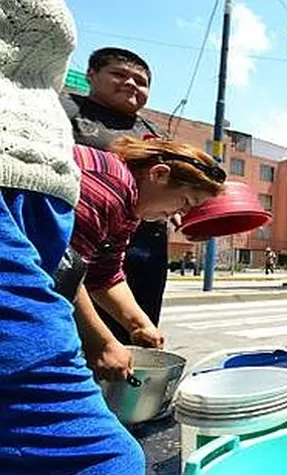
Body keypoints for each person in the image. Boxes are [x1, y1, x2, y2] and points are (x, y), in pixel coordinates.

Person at [0, 2, 150, 475]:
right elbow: (69, 273)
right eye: (181, 205)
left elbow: (102, 268)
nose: (179, 218)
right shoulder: (102, 179)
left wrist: (133, 323)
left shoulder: (129, 187)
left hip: (43, 217)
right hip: (27, 208)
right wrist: (103, 339)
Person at [71, 138, 225, 381]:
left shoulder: (130, 206)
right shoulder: (109, 187)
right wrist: (100, 342)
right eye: (185, 202)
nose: (181, 214)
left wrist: (139, 324)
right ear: (159, 174)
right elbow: (60, 269)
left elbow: (104, 274)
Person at [61, 47, 171, 352]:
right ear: (91, 75)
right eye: (120, 75)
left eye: (141, 80)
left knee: (139, 323)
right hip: (79, 235)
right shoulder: (65, 109)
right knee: (77, 323)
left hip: (145, 245)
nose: (132, 84)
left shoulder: (154, 131)